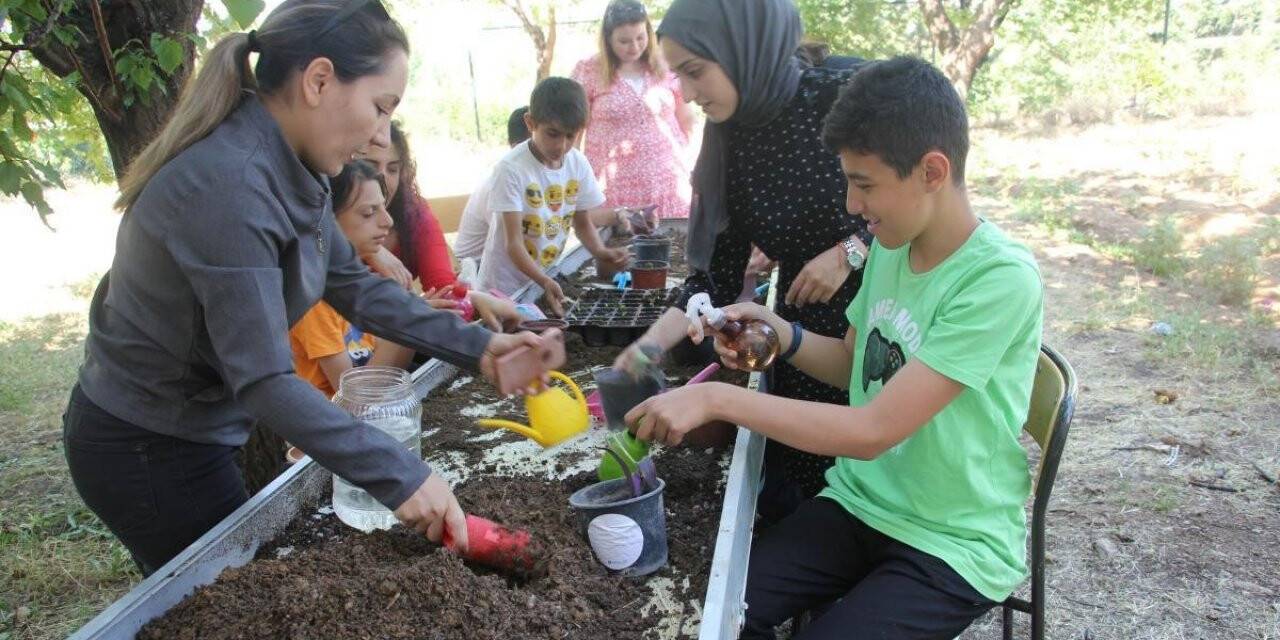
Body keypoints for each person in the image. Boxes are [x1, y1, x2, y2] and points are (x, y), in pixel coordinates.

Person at [63, 0, 552, 576]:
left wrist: (479, 347)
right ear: (319, 80)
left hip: (194, 431)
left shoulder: (298, 170)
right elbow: (266, 381)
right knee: (225, 604)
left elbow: (355, 287)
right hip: (145, 443)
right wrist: (401, 474)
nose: (379, 136)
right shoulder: (231, 188)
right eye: (379, 107)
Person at [624, 56, 1044, 640]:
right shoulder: (894, 247)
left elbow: (871, 430)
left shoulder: (997, 279)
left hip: (951, 541)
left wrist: (719, 403)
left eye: (864, 183)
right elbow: (854, 363)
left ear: (932, 171)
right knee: (705, 613)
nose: (850, 205)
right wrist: (779, 331)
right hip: (861, 504)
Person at [614, 0, 872, 522]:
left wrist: (850, 252)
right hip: (800, 335)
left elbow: (928, 189)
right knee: (806, 498)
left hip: (881, 328)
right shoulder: (729, 140)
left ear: (741, 51)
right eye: (678, 76)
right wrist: (643, 351)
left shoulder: (842, 94)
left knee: (867, 491)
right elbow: (712, 279)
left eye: (695, 72)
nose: (686, 93)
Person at [476, 77, 629, 314]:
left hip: (542, 281)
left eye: (571, 136)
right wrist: (544, 281)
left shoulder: (577, 163)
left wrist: (601, 251)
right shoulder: (511, 169)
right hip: (503, 289)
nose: (562, 145)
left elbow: (582, 222)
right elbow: (513, 244)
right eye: (553, 134)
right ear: (530, 123)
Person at [571, 0, 695, 220]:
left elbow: (686, 120)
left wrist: (693, 165)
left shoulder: (665, 65)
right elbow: (574, 131)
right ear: (608, 40)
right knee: (621, 249)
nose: (634, 47)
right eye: (624, 41)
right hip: (613, 191)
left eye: (640, 37)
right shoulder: (589, 70)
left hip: (668, 185)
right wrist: (570, 176)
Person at [359, 122, 458, 292]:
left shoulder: (413, 212)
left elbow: (444, 288)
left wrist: (474, 298)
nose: (382, 178)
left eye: (393, 169)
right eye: (369, 167)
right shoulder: (320, 223)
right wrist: (368, 251)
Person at [453, 107, 533, 266]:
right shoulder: (499, 181)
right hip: (471, 270)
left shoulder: (523, 178)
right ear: (517, 147)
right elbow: (513, 245)